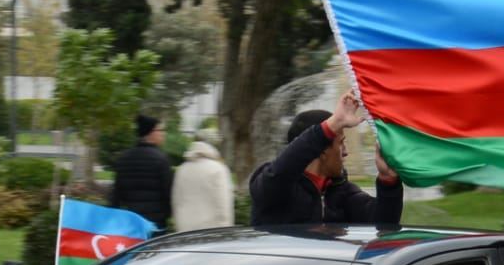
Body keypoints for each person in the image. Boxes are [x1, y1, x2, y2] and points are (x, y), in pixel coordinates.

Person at [250, 90, 403, 226]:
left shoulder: (340, 190)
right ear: (321, 149)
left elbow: (383, 225)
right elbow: (283, 168)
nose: (346, 152)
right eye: (341, 143)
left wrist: (388, 180)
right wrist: (334, 123)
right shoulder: (272, 186)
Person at [111, 114, 172, 229]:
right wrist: (167, 214)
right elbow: (168, 192)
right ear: (150, 132)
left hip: (130, 221)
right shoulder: (161, 159)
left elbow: (116, 193)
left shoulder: (124, 158)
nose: (163, 133)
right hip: (154, 223)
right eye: (160, 130)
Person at [171, 129, 234, 231]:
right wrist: (226, 229)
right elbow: (224, 205)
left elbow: (176, 201)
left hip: (184, 230)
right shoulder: (219, 169)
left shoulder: (182, 169)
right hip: (211, 231)